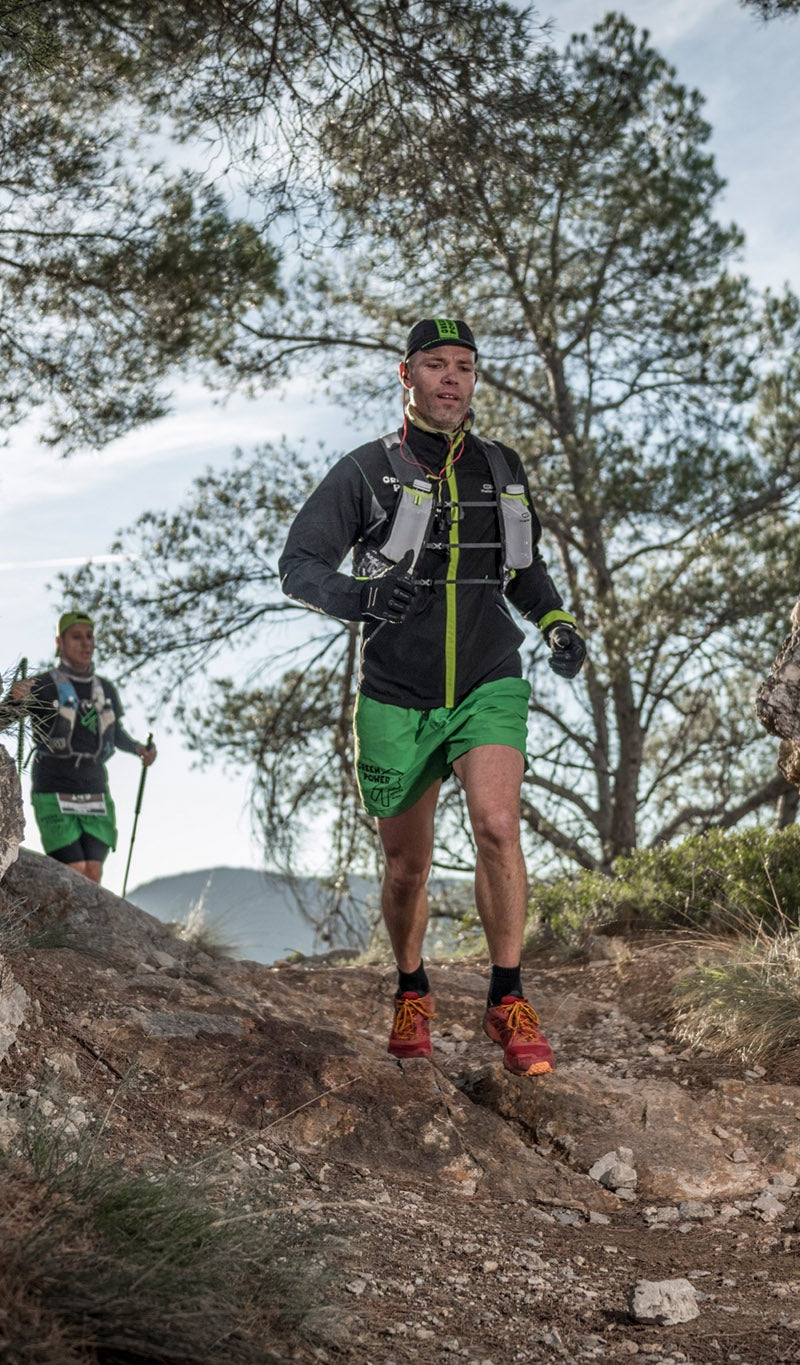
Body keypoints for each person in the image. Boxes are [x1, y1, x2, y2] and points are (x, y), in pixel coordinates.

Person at [278, 317, 587, 1077]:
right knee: (406, 867)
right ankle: (412, 987)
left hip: (488, 675)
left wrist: (555, 622)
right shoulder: (364, 471)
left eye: (465, 367)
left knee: (496, 823)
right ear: (406, 375)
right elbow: (299, 563)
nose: (453, 378)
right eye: (437, 365)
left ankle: (506, 996)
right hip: (397, 691)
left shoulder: (500, 467)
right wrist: (360, 598)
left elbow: (523, 568)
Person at [0, 611, 157, 884]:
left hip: (93, 786)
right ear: (60, 642)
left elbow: (115, 733)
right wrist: (14, 699)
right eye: (76, 637)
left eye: (89, 637)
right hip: (54, 785)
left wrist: (140, 748)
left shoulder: (105, 689)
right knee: (74, 870)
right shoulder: (43, 685)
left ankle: (84, 928)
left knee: (93, 873)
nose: (85, 643)